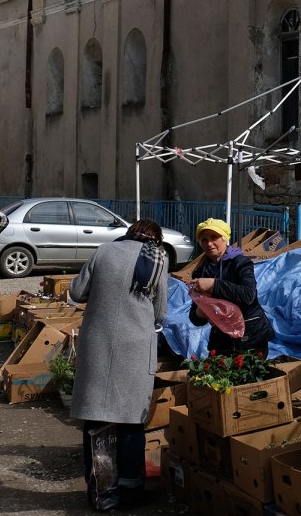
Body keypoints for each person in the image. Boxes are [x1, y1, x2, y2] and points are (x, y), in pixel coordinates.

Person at [69, 218, 168, 512]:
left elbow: (77, 292)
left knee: (97, 418)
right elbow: (160, 310)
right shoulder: (158, 258)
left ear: (129, 233)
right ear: (156, 239)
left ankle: (101, 492)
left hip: (97, 345)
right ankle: (131, 490)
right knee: (130, 421)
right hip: (134, 348)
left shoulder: (104, 251)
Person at [189, 218, 274, 355]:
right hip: (221, 340)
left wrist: (214, 285)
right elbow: (194, 318)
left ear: (225, 238)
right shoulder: (200, 272)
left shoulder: (240, 263)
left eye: (214, 237)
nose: (209, 243)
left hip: (250, 337)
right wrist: (200, 312)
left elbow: (248, 295)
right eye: (204, 239)